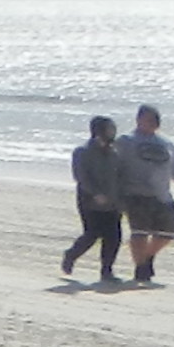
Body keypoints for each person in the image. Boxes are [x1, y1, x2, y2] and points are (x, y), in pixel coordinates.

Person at [114, 105, 174, 287]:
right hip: (136, 193)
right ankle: (140, 269)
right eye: (150, 119)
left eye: (156, 119)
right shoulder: (126, 141)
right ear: (138, 119)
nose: (154, 122)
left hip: (162, 194)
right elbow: (113, 166)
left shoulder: (166, 143)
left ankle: (147, 256)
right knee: (140, 232)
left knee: (170, 231)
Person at [63, 117, 127, 285]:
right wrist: (95, 194)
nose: (113, 132)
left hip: (113, 201)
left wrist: (122, 198)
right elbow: (81, 177)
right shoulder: (82, 151)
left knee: (114, 237)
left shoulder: (115, 153)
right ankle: (71, 255)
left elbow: (121, 176)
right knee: (92, 234)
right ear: (98, 131)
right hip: (89, 201)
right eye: (109, 129)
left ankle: (107, 271)